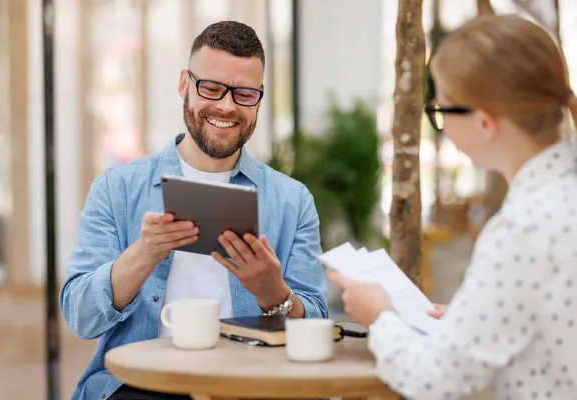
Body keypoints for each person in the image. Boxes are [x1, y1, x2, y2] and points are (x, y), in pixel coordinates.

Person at [60, 20, 328, 400]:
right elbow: (80, 317)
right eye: (213, 88)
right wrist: (143, 253)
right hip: (142, 387)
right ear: (184, 84)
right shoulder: (116, 188)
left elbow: (319, 327)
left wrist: (276, 295)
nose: (227, 106)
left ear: (260, 98)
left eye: (245, 94)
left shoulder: (292, 200)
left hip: (251, 386)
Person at [327, 14, 577, 400]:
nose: (440, 124)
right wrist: (474, 318)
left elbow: (438, 380)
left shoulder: (522, 230)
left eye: (441, 110)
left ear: (485, 123)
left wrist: (381, 317)